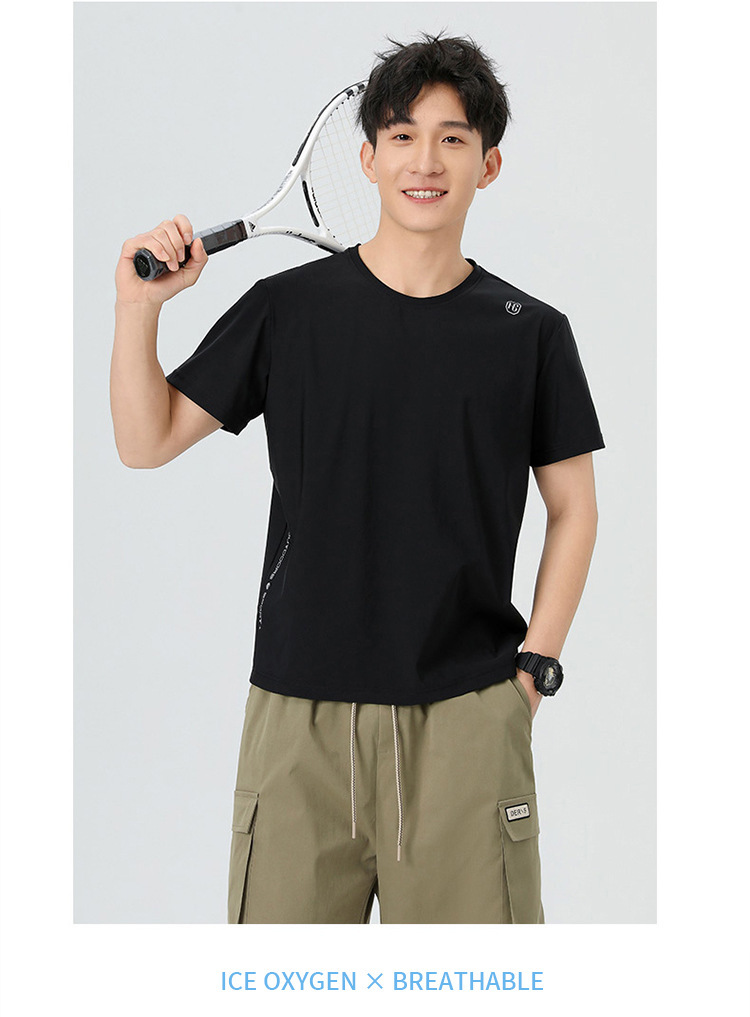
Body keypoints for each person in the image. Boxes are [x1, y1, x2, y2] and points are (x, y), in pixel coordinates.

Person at [110, 32, 605, 924]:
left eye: (453, 138)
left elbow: (573, 508)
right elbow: (145, 442)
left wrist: (533, 671)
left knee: (473, 985)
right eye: (403, 136)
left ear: (489, 164)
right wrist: (137, 308)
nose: (426, 160)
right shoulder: (287, 310)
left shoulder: (530, 331)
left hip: (466, 715)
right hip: (296, 719)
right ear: (369, 159)